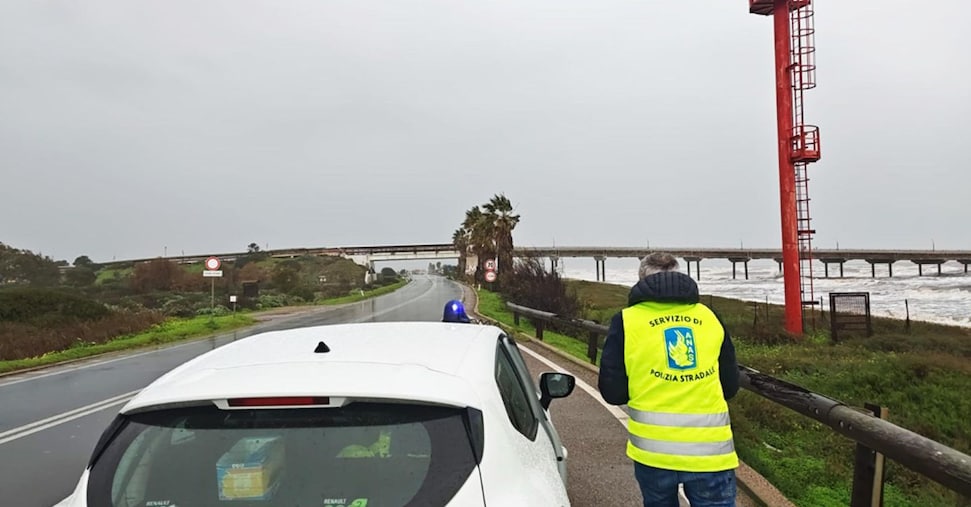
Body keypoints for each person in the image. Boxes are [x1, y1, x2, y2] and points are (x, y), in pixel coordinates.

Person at [598, 252, 740, 507]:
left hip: (653, 454)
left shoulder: (626, 321)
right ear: (680, 274)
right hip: (710, 453)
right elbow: (729, 386)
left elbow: (613, 392)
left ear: (641, 279)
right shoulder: (710, 317)